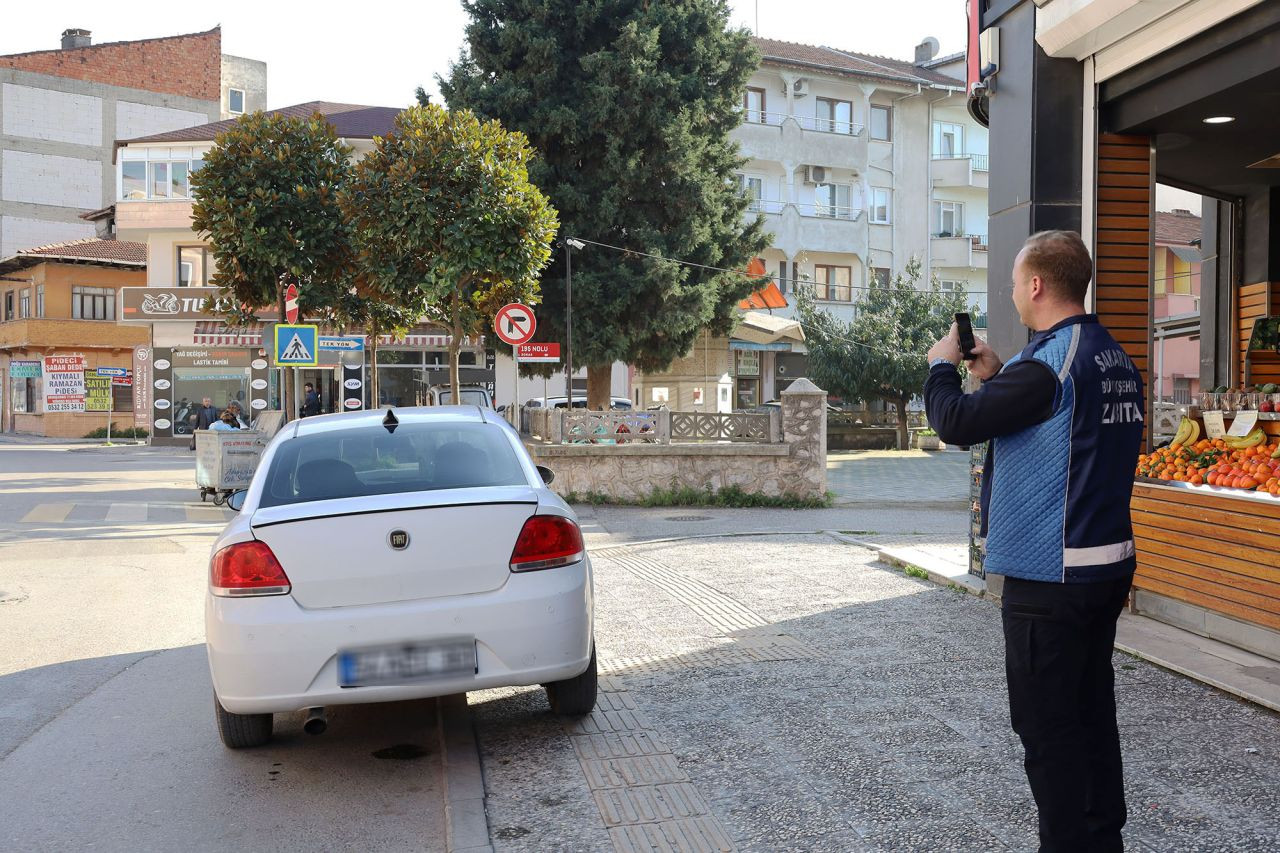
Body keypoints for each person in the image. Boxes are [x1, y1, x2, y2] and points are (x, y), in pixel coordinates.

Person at [923, 230, 1145, 853]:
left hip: (1051, 574)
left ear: (1039, 285)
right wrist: (998, 374)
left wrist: (944, 366)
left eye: (1017, 282)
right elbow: (1053, 418)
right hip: (1103, 567)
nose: (1014, 293)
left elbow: (957, 422)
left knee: (1049, 730)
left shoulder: (1050, 364)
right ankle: (1103, 839)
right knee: (1090, 713)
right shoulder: (1109, 354)